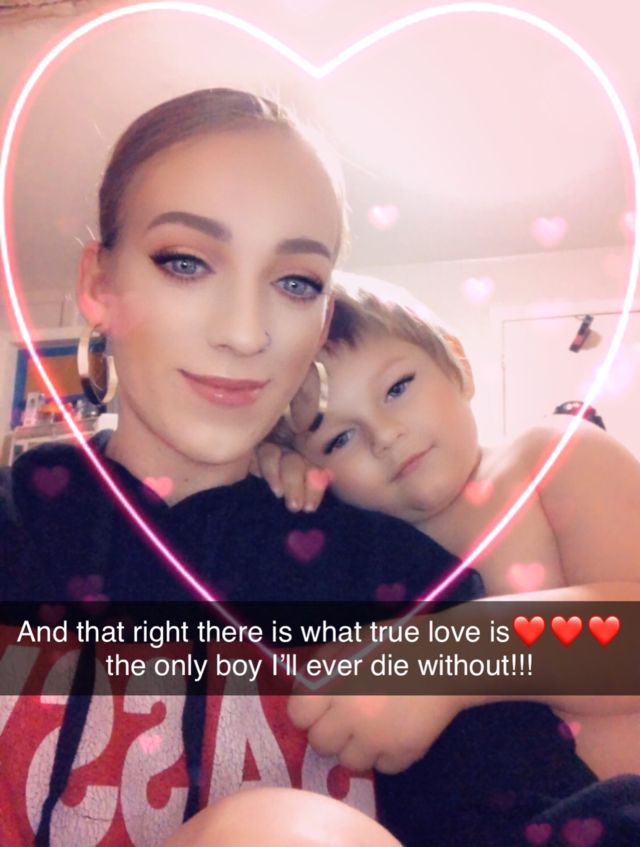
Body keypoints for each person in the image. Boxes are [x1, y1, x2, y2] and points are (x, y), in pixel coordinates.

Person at [0, 89, 482, 847]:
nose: (245, 332)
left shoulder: (390, 575)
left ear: (321, 319)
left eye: (296, 282)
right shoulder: (20, 524)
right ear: (99, 284)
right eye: (185, 262)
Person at [256, 273, 640, 846]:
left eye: (397, 388)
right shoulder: (359, 549)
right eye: (337, 439)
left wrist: (447, 658)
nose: (385, 435)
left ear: (456, 365)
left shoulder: (551, 458)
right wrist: (264, 472)